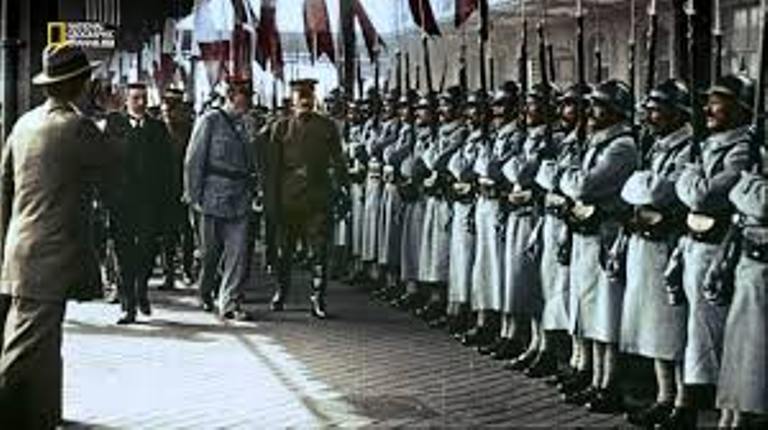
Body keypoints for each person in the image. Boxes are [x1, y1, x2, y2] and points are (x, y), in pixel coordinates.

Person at [0, 43, 115, 428]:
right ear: (81, 84)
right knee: (25, 347)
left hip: (23, 247)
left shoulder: (24, 124)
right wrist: (105, 114)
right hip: (50, 255)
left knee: (43, 342)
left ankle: (43, 415)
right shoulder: (77, 127)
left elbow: (4, 186)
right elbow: (115, 166)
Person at [659, 74, 754, 428]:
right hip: (694, 246)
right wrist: (693, 176)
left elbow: (703, 196)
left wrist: (690, 174)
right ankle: (689, 405)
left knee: (724, 339)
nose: (708, 109)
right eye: (709, 101)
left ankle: (730, 417)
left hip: (721, 252)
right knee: (693, 334)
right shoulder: (709, 145)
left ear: (739, 108)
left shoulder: (743, 150)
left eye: (717, 102)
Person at [559, 79, 638, 412]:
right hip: (587, 234)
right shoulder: (598, 141)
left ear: (616, 111)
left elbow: (584, 186)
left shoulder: (621, 147)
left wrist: (567, 176)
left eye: (599, 106)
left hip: (607, 237)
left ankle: (609, 384)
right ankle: (594, 378)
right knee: (588, 310)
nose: (591, 111)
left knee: (606, 314)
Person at [620, 79, 691, 427]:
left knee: (673, 327)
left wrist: (640, 187)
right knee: (653, 325)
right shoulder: (657, 145)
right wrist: (640, 187)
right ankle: (664, 396)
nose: (650, 117)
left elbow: (658, 192)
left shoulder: (688, 148)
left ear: (677, 113)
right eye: (648, 110)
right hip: (646, 241)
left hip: (671, 244)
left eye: (657, 110)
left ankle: (683, 402)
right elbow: (632, 190)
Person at [264, 78, 347, 319]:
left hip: (317, 197)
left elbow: (338, 161)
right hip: (288, 198)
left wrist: (342, 189)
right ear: (292, 101)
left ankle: (318, 298)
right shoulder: (280, 128)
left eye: (308, 96)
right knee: (284, 251)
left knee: (319, 251)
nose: (305, 101)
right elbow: (272, 168)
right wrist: (271, 200)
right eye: (300, 96)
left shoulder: (327, 127)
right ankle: (281, 291)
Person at [184, 76, 259, 321]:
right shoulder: (210, 121)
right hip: (212, 197)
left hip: (240, 197)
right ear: (230, 97)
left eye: (248, 98)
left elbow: (253, 162)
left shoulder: (248, 124)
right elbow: (194, 161)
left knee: (238, 253)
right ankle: (205, 290)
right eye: (243, 98)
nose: (247, 103)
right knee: (210, 255)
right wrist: (193, 196)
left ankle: (230, 303)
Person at [105, 82, 174, 325]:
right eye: (136, 98)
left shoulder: (157, 129)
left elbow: (167, 167)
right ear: (126, 101)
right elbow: (105, 163)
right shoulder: (114, 126)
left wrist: (168, 201)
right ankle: (129, 304)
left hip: (149, 203)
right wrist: (105, 197)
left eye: (144, 98)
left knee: (147, 251)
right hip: (121, 202)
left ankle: (141, 288)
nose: (141, 103)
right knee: (124, 254)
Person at [160, 88, 195, 287]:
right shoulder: (158, 131)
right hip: (165, 189)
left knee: (186, 232)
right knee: (167, 234)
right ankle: (169, 274)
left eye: (173, 108)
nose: (170, 113)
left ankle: (187, 269)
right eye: (167, 110)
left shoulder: (189, 131)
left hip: (184, 188)